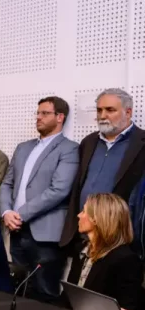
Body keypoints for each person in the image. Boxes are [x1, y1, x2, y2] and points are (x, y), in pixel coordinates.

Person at [0, 97, 79, 301]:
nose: (38, 117)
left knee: (44, 290)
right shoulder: (23, 147)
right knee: (18, 287)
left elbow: (59, 190)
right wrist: (6, 212)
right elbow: (7, 184)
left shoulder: (69, 148)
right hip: (16, 229)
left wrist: (20, 214)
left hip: (46, 234)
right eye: (38, 113)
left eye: (45, 113)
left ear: (60, 117)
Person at [61, 88, 145, 249]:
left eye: (110, 110)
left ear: (128, 113)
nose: (102, 115)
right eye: (99, 110)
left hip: (119, 239)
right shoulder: (89, 142)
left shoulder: (141, 143)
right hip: (85, 236)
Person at [66, 193, 143, 310]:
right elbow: (68, 297)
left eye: (84, 211)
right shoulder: (81, 249)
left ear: (96, 218)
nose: (78, 215)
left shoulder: (126, 260)